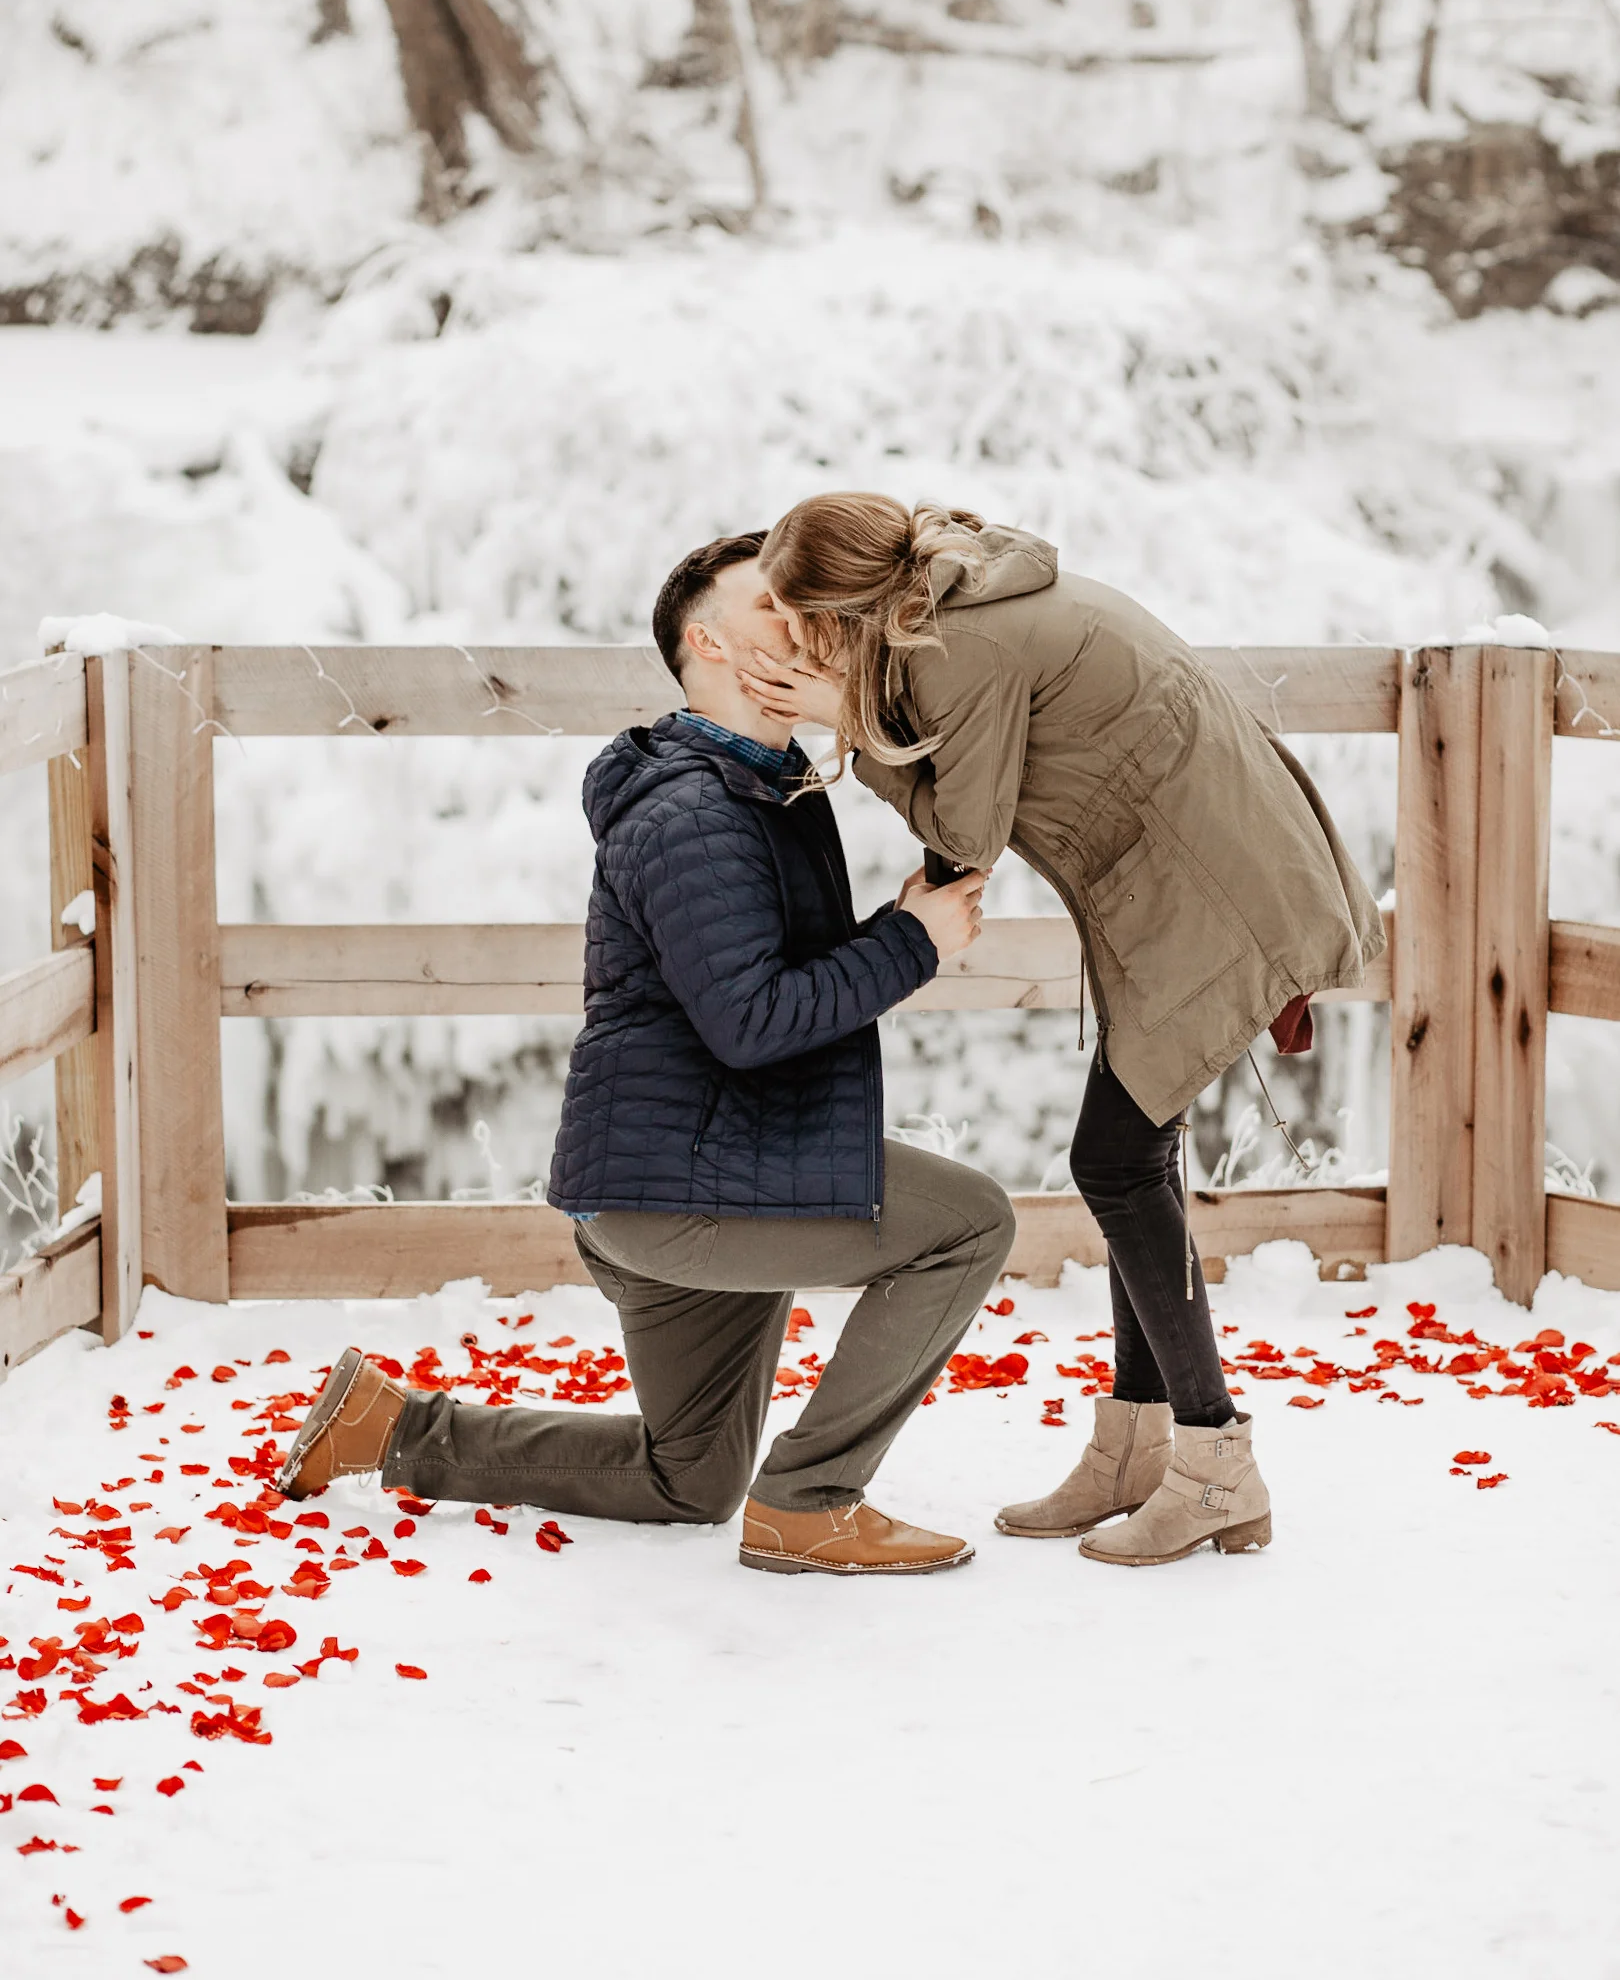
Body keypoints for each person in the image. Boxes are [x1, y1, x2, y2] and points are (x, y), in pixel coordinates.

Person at [277, 530, 1015, 1578]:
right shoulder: (692, 810)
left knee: (690, 1478)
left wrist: (895, 902)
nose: (806, 619)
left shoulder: (765, 784)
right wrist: (912, 943)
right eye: (773, 606)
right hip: (688, 1190)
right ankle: (812, 1502)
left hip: (688, 1169)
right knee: (969, 1224)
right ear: (708, 645)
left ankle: (390, 1430)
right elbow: (752, 1021)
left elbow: (751, 976)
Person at [740, 494, 1386, 1568]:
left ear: (844, 610)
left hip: (1210, 885)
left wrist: (844, 723)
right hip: (1191, 871)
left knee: (1116, 1160)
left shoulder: (958, 645)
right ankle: (1137, 1448)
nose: (794, 644)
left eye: (800, 619)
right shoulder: (952, 601)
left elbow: (965, 832)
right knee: (1136, 1155)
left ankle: (1216, 1462)